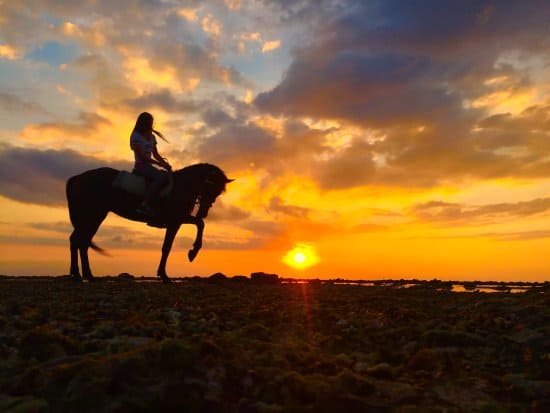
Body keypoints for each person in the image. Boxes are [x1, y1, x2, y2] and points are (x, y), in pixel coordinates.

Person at [130, 112, 172, 216]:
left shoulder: (152, 137)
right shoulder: (136, 136)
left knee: (168, 176)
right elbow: (142, 157)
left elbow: (156, 154)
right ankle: (144, 203)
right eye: (150, 122)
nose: (151, 124)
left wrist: (165, 164)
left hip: (148, 166)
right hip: (140, 166)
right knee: (161, 177)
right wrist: (159, 164)